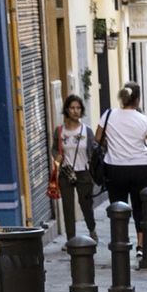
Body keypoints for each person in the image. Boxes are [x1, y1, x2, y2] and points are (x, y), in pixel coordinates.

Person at [94, 82, 147, 246]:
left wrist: (112, 145)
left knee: (117, 207)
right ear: (137, 100)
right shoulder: (143, 120)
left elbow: (97, 138)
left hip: (115, 168)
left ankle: (120, 241)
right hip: (140, 169)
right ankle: (140, 244)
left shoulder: (108, 115)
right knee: (140, 207)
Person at [52, 94, 97, 242]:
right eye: (72, 108)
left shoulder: (87, 131)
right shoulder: (59, 131)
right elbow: (54, 149)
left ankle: (92, 229)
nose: (75, 111)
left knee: (86, 205)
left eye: (78, 108)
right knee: (68, 207)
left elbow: (94, 151)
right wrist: (56, 156)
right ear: (66, 110)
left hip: (83, 173)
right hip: (66, 173)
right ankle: (71, 239)